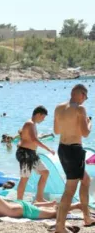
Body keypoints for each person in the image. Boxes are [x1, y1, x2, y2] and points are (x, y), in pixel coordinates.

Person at [54, 84, 95, 231]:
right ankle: (60, 226)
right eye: (85, 96)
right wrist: (89, 123)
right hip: (74, 150)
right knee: (70, 190)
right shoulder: (80, 109)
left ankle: (87, 217)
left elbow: (56, 130)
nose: (85, 100)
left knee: (86, 180)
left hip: (62, 149)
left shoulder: (59, 107)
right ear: (81, 94)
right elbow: (85, 133)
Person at [0, 178, 83, 229]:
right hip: (17, 207)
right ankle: (53, 205)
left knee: (53, 214)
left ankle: (76, 205)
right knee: (51, 211)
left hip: (24, 210)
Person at [16, 106, 54, 202]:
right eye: (43, 117)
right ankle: (19, 201)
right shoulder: (30, 123)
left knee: (45, 172)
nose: (43, 119)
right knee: (25, 178)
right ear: (38, 114)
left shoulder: (33, 124)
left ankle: (39, 198)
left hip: (31, 153)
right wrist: (48, 149)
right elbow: (34, 139)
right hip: (25, 153)